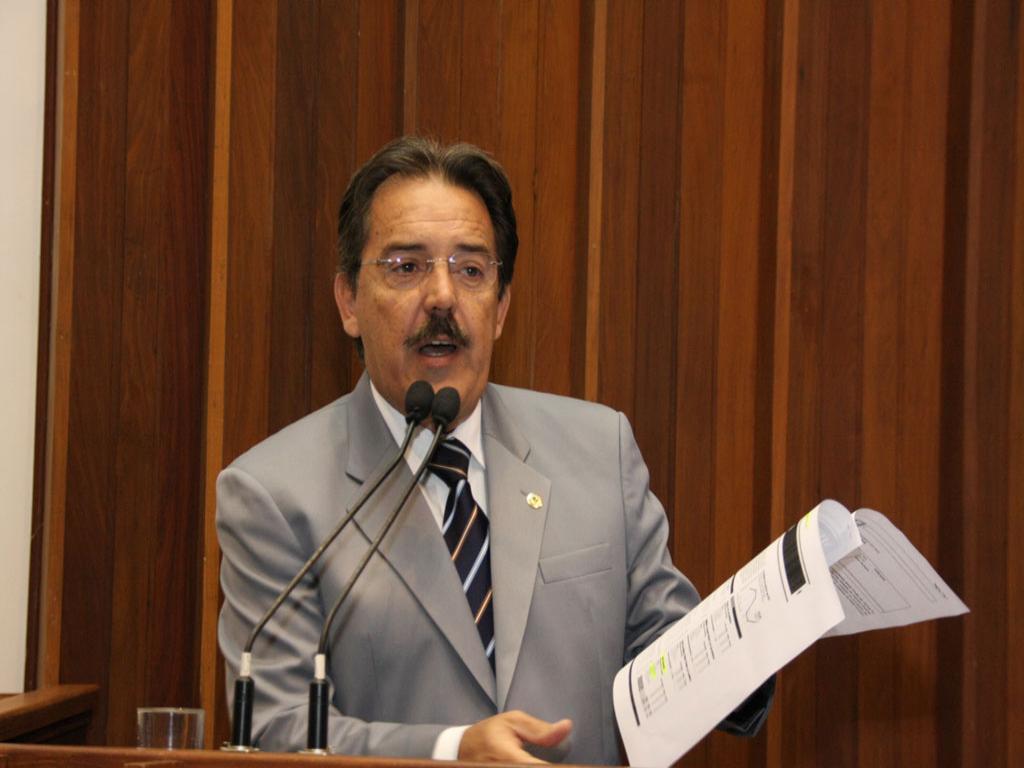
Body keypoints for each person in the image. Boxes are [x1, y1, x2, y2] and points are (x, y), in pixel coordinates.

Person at [217, 137, 772, 764]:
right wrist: (454, 750)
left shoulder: (600, 449)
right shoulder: (272, 494)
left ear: (501, 307)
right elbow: (279, 728)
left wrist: (768, 631)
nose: (442, 296)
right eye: (406, 267)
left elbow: (664, 653)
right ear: (349, 301)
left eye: (471, 270)